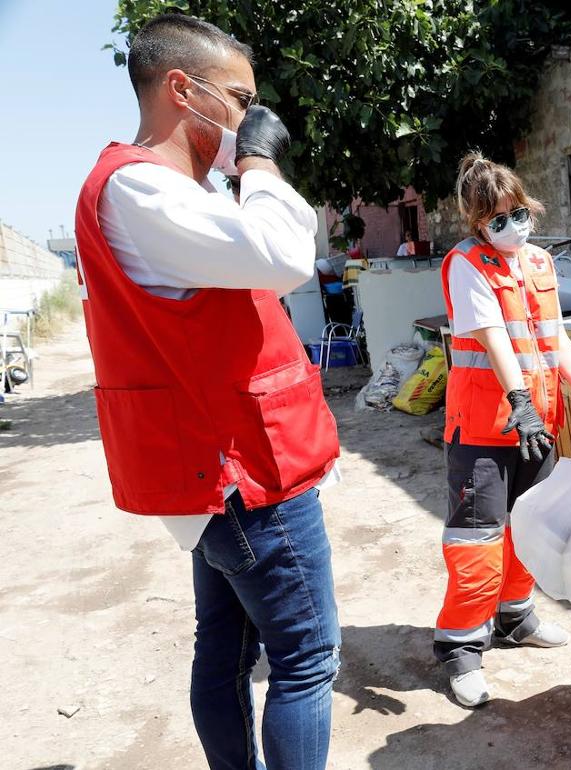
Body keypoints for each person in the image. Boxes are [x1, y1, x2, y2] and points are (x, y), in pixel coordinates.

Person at [74, 15, 341, 770]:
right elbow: (286, 253)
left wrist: (237, 169)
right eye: (239, 99)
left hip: (218, 468)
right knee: (307, 659)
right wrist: (258, 163)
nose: (248, 119)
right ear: (181, 91)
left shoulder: (157, 190)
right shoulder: (140, 189)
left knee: (223, 649)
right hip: (244, 472)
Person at [436, 152, 571, 708]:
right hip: (484, 429)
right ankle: (461, 645)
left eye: (518, 213)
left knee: (531, 525)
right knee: (478, 541)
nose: (512, 227)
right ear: (477, 224)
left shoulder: (540, 262)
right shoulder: (466, 263)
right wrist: (517, 400)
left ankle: (515, 616)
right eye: (498, 220)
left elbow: (554, 334)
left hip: (538, 425)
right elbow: (493, 337)